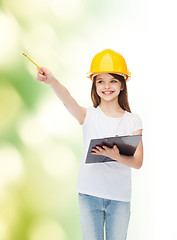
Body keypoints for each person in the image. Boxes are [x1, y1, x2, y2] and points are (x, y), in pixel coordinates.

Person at [36, 49, 143, 240]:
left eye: (112, 81)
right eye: (100, 81)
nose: (106, 86)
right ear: (94, 85)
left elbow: (137, 162)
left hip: (120, 198)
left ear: (122, 85)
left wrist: (116, 156)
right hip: (89, 195)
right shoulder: (88, 116)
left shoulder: (133, 121)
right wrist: (52, 81)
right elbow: (67, 99)